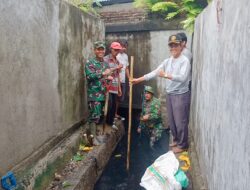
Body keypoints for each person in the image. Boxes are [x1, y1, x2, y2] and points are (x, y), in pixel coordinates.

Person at [132, 34, 191, 153]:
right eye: (171, 46)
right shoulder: (167, 61)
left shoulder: (184, 61)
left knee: (180, 120)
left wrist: (166, 75)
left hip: (180, 94)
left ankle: (183, 144)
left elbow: (183, 78)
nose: (173, 48)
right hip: (170, 93)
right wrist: (139, 79)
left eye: (176, 45)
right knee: (172, 120)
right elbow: (155, 72)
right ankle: (176, 139)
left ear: (181, 46)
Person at [84, 41, 113, 146]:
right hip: (94, 94)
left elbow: (106, 77)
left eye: (102, 49)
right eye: (98, 49)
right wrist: (102, 73)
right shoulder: (90, 62)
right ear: (95, 50)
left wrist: (109, 78)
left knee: (100, 115)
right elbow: (89, 77)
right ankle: (92, 138)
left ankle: (97, 135)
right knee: (94, 116)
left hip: (103, 94)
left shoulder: (105, 64)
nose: (101, 51)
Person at [104, 42, 123, 126]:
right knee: (109, 104)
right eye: (115, 50)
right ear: (111, 49)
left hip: (115, 86)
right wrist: (116, 68)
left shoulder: (117, 61)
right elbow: (105, 72)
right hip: (108, 85)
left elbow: (118, 75)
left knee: (114, 105)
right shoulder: (106, 59)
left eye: (118, 50)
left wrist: (119, 88)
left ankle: (111, 123)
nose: (117, 52)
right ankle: (105, 122)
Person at [116, 40, 130, 118]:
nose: (124, 48)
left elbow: (126, 68)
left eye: (125, 47)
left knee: (120, 98)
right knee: (116, 97)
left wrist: (130, 78)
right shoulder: (116, 56)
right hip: (117, 79)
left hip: (123, 80)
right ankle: (113, 114)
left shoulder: (125, 56)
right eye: (122, 46)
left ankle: (115, 113)